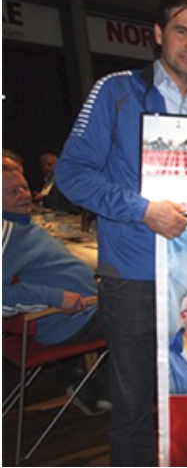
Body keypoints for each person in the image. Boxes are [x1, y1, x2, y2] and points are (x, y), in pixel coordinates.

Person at [55, 0, 187, 466]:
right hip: (133, 274)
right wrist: (141, 210)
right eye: (182, 31)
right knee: (134, 405)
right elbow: (71, 174)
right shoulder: (116, 92)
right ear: (158, 34)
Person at [2, 165, 109, 414]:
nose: (24, 195)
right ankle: (96, 390)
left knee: (134, 300)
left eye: (24, 188)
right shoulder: (6, 232)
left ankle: (86, 381)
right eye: (12, 191)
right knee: (148, 317)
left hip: (80, 309)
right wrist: (57, 298)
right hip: (69, 320)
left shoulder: (20, 225)